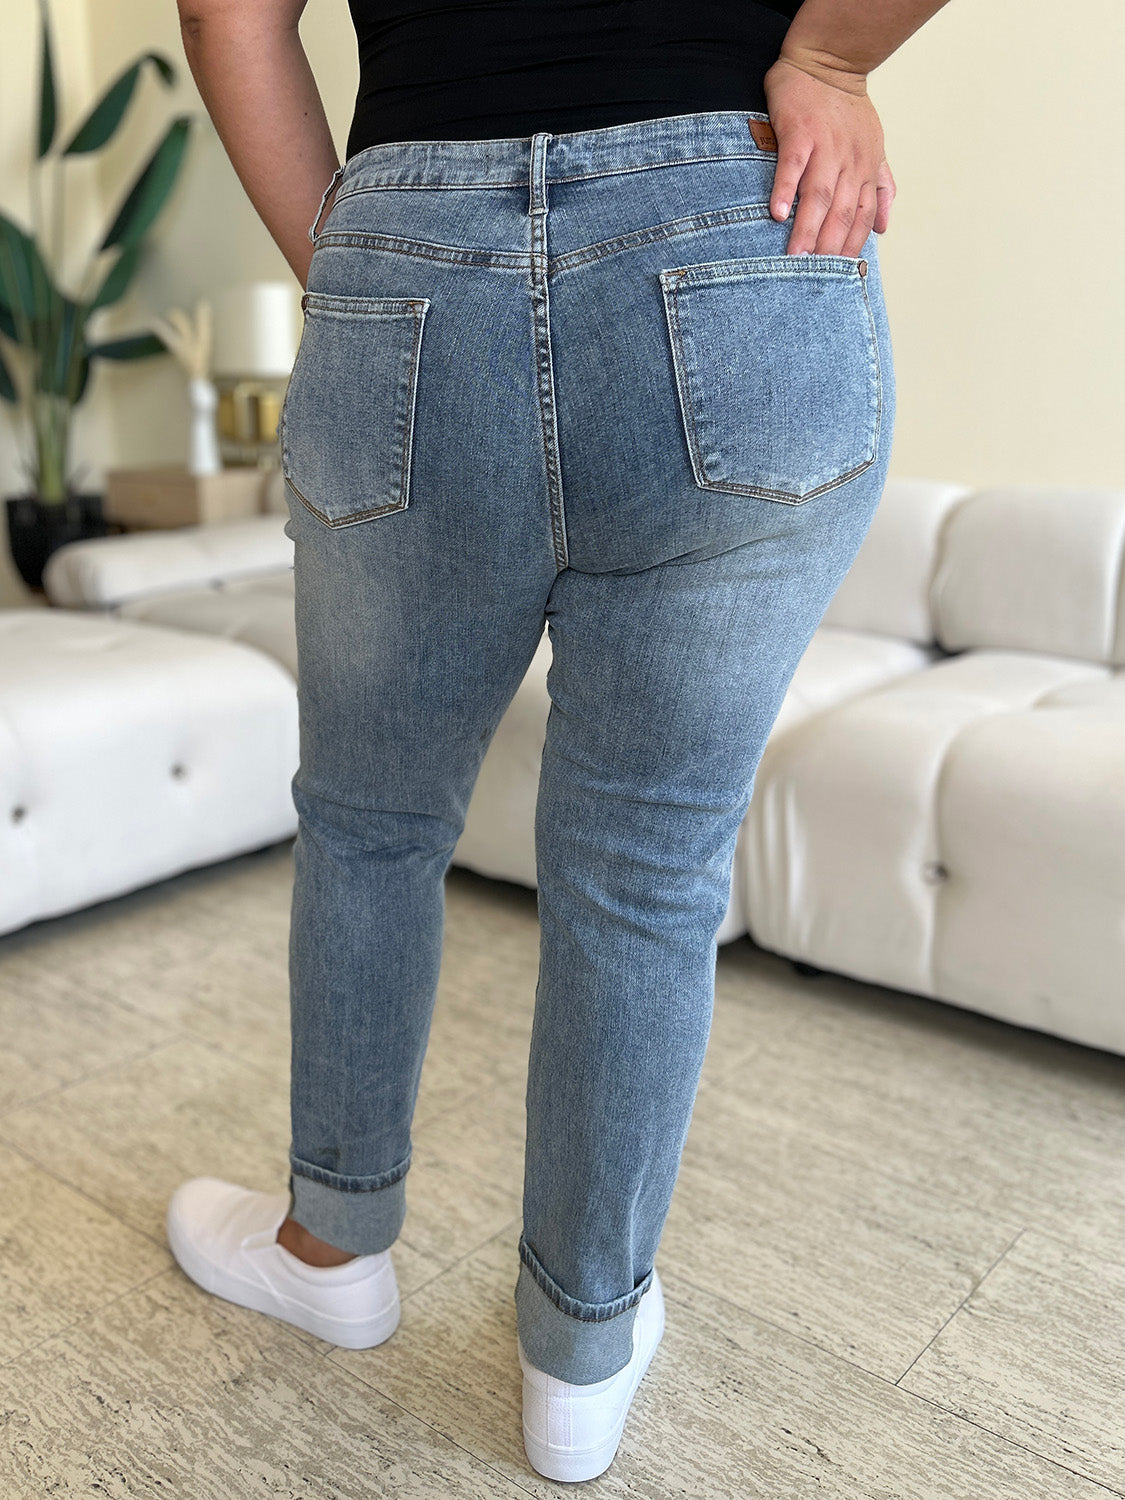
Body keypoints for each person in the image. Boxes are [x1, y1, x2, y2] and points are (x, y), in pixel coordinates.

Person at [166, 0, 950, 1482]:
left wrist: (372, 274)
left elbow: (229, 13)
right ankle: (579, 1356)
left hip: (414, 223)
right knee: (643, 868)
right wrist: (830, 56)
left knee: (369, 824)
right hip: (735, 220)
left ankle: (329, 1251)